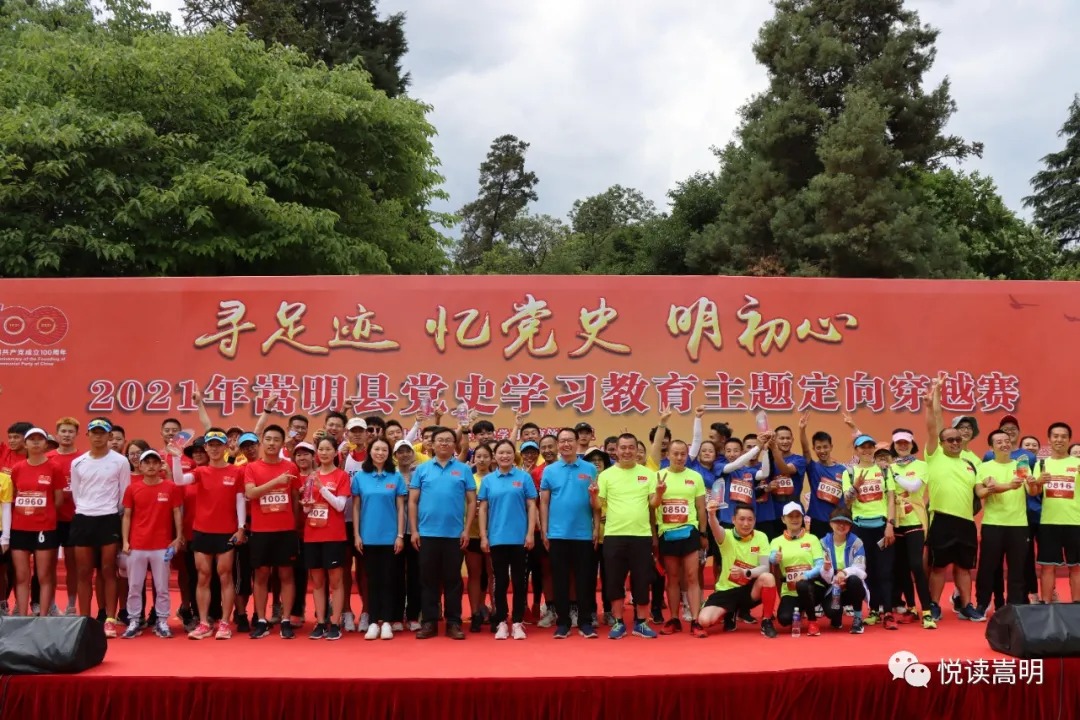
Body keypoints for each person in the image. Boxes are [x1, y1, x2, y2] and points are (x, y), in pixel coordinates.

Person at [172, 430, 246, 639]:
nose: (214, 448)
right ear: (206, 448)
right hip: (202, 531)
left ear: (225, 447)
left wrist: (241, 527)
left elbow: (240, 500)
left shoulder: (236, 471)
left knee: (225, 576)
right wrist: (176, 457)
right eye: (210, 445)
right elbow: (179, 480)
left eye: (218, 445)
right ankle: (204, 623)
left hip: (226, 532)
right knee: (203, 576)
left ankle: (224, 623)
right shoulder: (200, 472)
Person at [924, 379, 984, 621]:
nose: (955, 443)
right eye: (950, 440)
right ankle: (934, 604)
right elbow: (934, 424)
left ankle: (966, 605)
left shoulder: (972, 462)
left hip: (966, 522)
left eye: (958, 439)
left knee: (964, 567)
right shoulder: (934, 455)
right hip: (942, 518)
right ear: (941, 443)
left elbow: (980, 491)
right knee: (939, 566)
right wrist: (933, 400)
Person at [409, 426, 476, 639]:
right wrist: (414, 530)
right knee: (428, 579)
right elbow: (413, 501)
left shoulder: (463, 469)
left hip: (454, 534)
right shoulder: (422, 469)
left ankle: (453, 622)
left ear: (454, 444)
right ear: (432, 444)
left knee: (453, 580)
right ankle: (429, 622)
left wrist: (466, 530)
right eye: (440, 440)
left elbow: (471, 501)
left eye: (449, 440)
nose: (444, 443)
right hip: (427, 533)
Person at [593, 433, 660, 640]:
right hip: (614, 535)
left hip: (641, 535)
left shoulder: (647, 474)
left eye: (631, 447)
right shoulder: (606, 475)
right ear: (616, 450)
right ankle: (618, 622)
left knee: (642, 579)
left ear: (637, 450)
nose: (627, 451)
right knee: (614, 580)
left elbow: (653, 503)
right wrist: (593, 496)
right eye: (623, 448)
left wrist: (660, 493)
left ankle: (641, 623)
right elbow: (597, 505)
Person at [69, 417, 131, 637]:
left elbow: (125, 492)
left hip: (109, 518)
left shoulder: (120, 461)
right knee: (84, 572)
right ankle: (85, 620)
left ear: (109, 436)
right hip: (83, 518)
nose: (98, 436)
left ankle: (110, 620)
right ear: (88, 435)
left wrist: (111, 512)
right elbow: (76, 493)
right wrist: (87, 509)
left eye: (102, 432)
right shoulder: (78, 462)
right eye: (94, 432)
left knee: (108, 570)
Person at [541, 428, 600, 639]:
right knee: (560, 580)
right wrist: (545, 530)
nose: (566, 444)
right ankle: (563, 623)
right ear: (558, 445)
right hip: (557, 534)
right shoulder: (550, 471)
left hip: (583, 534)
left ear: (577, 443)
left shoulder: (590, 469)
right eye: (562, 441)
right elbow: (544, 502)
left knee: (585, 580)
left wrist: (596, 527)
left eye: (570, 440)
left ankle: (585, 622)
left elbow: (596, 501)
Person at [243, 425, 301, 639]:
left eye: (276, 439)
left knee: (286, 574)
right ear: (262, 442)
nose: (271, 443)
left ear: (282, 443)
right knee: (261, 575)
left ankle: (285, 620)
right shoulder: (252, 468)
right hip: (260, 530)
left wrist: (295, 525)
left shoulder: (291, 467)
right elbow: (251, 493)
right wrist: (276, 481)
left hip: (285, 530)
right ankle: (261, 620)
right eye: (268, 439)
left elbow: (295, 497)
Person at [120, 450, 183, 639]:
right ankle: (134, 621)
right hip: (137, 545)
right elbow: (127, 516)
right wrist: (125, 541)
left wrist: (178, 537)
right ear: (140, 466)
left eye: (155, 462)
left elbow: (177, 513)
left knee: (162, 587)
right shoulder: (133, 489)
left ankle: (162, 621)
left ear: (160, 465)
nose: (151, 466)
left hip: (161, 545)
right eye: (146, 462)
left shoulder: (170, 487)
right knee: (134, 586)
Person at [479, 439, 538, 640]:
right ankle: (502, 621)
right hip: (497, 538)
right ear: (495, 457)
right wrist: (484, 536)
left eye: (508, 453)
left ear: (514, 456)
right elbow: (483, 509)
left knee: (520, 581)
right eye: (501, 453)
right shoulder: (488, 480)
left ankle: (518, 622)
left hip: (519, 538)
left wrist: (530, 533)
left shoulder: (524, 477)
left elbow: (531, 506)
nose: (504, 456)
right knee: (501, 581)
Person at [352, 437, 406, 640]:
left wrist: (400, 535)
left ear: (389, 453)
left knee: (389, 580)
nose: (380, 453)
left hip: (390, 537)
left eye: (384, 449)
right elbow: (356, 507)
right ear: (370, 451)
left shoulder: (396, 477)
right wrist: (357, 534)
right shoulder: (360, 477)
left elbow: (400, 508)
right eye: (376, 449)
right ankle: (374, 621)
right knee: (372, 580)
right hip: (368, 537)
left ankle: (388, 622)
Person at [841, 435, 897, 629]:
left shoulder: (884, 470)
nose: (866, 450)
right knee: (868, 570)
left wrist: (890, 524)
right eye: (862, 447)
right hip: (860, 528)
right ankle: (873, 610)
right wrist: (856, 486)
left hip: (882, 527)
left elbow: (891, 499)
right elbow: (847, 502)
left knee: (885, 570)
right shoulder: (849, 472)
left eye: (869, 446)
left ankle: (888, 612)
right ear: (856, 450)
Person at [698, 502, 777, 638]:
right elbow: (715, 528)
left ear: (755, 520)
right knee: (704, 621)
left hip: (749, 590)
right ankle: (729, 612)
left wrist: (745, 573)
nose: (746, 524)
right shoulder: (726, 535)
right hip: (726, 590)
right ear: (733, 520)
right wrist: (711, 514)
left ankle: (767, 621)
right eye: (742, 519)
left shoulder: (761, 537)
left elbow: (765, 567)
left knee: (768, 577)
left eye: (750, 519)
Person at [8, 428, 64, 617]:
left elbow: (58, 500)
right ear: (25, 444)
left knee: (44, 576)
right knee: (21, 576)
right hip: (20, 528)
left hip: (44, 528)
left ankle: (43, 618)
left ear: (46, 444)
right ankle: (22, 616)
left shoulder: (54, 468)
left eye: (40, 439)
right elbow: (14, 496)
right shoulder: (18, 469)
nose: (36, 442)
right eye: (32, 439)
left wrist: (43, 513)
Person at [654, 440, 707, 638]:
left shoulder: (695, 477)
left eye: (682, 454)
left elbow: (701, 508)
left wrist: (703, 533)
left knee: (692, 577)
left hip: (690, 531)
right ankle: (674, 619)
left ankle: (695, 620)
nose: (679, 457)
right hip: (667, 533)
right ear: (668, 454)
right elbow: (652, 507)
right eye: (675, 453)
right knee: (673, 578)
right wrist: (654, 536)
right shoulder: (658, 476)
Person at [301, 439, 350, 640]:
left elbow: (340, 505)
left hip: (334, 535)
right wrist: (306, 503)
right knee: (317, 581)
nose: (323, 452)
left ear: (335, 452)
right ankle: (321, 622)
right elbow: (306, 509)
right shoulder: (310, 477)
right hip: (312, 534)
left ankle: (335, 623)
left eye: (328, 449)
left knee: (336, 581)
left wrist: (321, 488)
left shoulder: (341, 476)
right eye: (320, 449)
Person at [975, 429, 1029, 612]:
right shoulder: (985, 467)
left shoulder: (1021, 465)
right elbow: (985, 489)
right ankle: (983, 603)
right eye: (999, 442)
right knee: (988, 566)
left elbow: (1030, 490)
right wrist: (1008, 486)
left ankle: (1014, 605)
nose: (1005, 444)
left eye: (1007, 441)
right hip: (993, 523)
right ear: (991, 447)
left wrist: (1035, 483)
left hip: (1019, 524)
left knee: (1017, 568)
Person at [1028, 422, 1080, 602]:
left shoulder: (1078, 463)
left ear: (1069, 439)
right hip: (1049, 522)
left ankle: (1077, 606)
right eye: (1055, 436)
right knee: (1048, 567)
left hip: (1075, 522)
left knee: (1076, 567)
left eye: (1063, 436)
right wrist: (1038, 482)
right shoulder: (1042, 463)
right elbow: (1034, 492)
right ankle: (1046, 604)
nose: (1059, 439)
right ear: (1049, 440)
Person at [889, 430, 934, 629]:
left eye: (905, 442)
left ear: (912, 444)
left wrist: (893, 474)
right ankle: (911, 607)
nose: (902, 446)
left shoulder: (921, 465)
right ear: (893, 446)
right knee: (901, 567)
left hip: (915, 519)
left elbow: (914, 487)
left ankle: (927, 611)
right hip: (896, 522)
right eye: (898, 443)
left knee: (916, 565)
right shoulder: (889, 466)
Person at [770, 502, 825, 635]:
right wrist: (774, 558)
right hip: (790, 590)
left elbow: (820, 565)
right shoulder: (776, 541)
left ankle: (812, 621)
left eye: (798, 516)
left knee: (802, 585)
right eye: (790, 516)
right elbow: (771, 557)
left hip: (812, 587)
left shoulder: (812, 539)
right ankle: (799, 611)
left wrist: (806, 575)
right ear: (783, 519)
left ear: (802, 518)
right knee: (784, 619)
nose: (794, 519)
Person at [819, 507, 869, 633]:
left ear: (850, 525)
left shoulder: (857, 542)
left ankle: (858, 618)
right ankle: (837, 615)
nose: (842, 525)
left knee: (854, 580)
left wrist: (844, 573)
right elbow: (822, 573)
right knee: (832, 612)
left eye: (846, 522)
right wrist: (829, 572)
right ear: (831, 523)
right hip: (833, 586)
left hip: (852, 587)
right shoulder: (823, 543)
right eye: (838, 522)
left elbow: (861, 569)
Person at [798, 414, 848, 538]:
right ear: (814, 449)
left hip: (838, 520)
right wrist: (802, 430)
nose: (822, 451)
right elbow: (805, 450)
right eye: (818, 448)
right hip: (818, 521)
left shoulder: (843, 470)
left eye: (825, 447)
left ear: (831, 447)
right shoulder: (813, 467)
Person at [393, 440, 421, 630]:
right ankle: (396, 616)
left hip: (416, 531)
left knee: (415, 575)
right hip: (395, 533)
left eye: (407, 451)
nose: (404, 455)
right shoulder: (391, 475)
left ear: (412, 454)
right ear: (395, 456)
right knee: (395, 575)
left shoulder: (420, 474)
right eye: (400, 452)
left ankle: (413, 616)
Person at [465, 443, 493, 632]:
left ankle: (496, 612)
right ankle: (475, 613)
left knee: (492, 575)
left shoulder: (496, 478)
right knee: (474, 574)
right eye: (478, 456)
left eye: (485, 456)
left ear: (492, 458)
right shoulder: (469, 479)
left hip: (494, 533)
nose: (482, 460)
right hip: (473, 533)